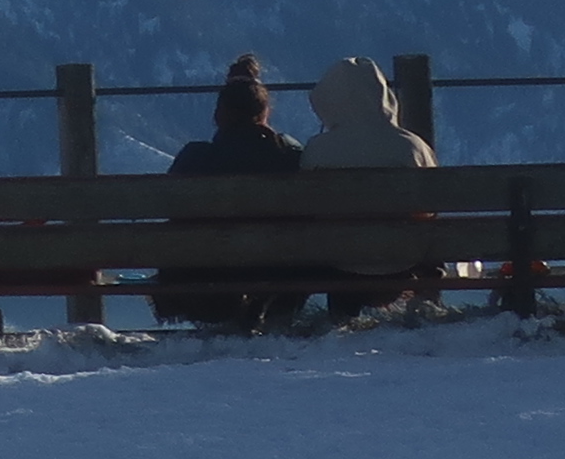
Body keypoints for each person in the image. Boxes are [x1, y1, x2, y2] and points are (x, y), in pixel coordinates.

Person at [156, 54, 311, 327]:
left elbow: (170, 209)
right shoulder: (290, 156)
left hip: (206, 270)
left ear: (218, 116)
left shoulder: (195, 157)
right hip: (281, 269)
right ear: (265, 113)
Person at [298, 51, 443, 320]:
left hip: (338, 263)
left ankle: (341, 316)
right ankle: (427, 306)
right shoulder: (411, 146)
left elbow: (309, 210)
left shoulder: (318, 151)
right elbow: (430, 207)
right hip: (403, 260)